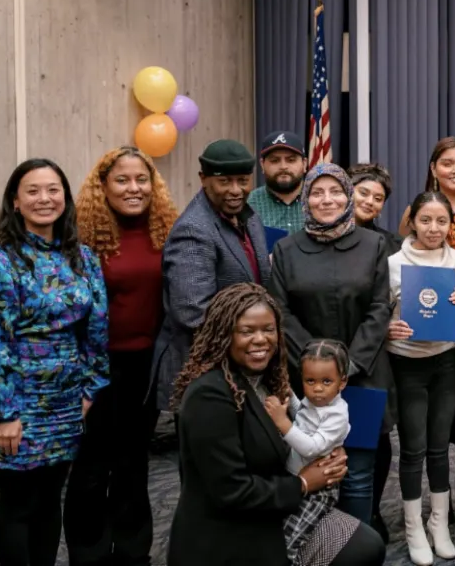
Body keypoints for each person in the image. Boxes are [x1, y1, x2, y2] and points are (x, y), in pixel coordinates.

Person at [167, 283, 384, 566]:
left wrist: (327, 455)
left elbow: (304, 429)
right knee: (361, 550)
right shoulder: (209, 395)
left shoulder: (269, 379)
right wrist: (304, 482)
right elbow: (232, 492)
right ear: (224, 335)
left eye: (269, 329)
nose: (261, 339)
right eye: (247, 331)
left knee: (368, 544)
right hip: (232, 528)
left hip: (273, 504)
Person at [0, 158, 109, 566]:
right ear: (15, 201)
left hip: (69, 401)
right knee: (19, 503)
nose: (44, 199)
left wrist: (90, 390)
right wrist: (4, 413)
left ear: (65, 197)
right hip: (19, 402)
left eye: (53, 190)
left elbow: (97, 330)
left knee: (50, 500)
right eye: (33, 191)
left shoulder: (82, 258)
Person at [65, 147, 178, 566]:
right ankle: (89, 553)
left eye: (142, 179)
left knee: (133, 460)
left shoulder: (165, 230)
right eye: (123, 180)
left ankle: (133, 552)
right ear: (104, 186)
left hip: (147, 365)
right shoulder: (80, 239)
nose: (134, 188)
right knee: (93, 464)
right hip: (96, 368)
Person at [268, 163, 393, 526]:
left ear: (348, 195)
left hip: (363, 373)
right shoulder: (287, 250)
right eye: (317, 192)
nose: (327, 200)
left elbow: (379, 306)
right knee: (310, 467)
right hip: (307, 380)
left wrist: (347, 365)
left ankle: (356, 544)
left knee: (357, 475)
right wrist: (318, 366)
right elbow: (280, 311)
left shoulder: (374, 244)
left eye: (336, 191)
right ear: (306, 199)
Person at [150, 139, 271, 412]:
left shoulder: (248, 217)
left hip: (241, 367)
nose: (236, 190)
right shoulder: (193, 231)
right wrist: (254, 341)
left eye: (243, 180)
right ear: (203, 179)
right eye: (225, 181)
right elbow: (194, 313)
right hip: (205, 372)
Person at [387, 192, 455, 565]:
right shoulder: (392, 264)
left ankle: (439, 523)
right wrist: (389, 327)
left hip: (446, 363)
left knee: (440, 446)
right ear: (412, 222)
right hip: (407, 365)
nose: (433, 228)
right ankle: (413, 525)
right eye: (425, 220)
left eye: (441, 221)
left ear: (451, 225)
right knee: (413, 448)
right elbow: (377, 313)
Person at [346, 161, 401, 536]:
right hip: (322, 355)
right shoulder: (307, 239)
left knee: (375, 437)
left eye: (377, 198)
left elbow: (396, 299)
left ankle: (371, 510)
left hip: (372, 355)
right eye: (362, 192)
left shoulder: (389, 245)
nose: (369, 201)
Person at [263, 340, 352, 562]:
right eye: (309, 381)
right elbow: (301, 412)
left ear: (342, 382)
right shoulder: (317, 402)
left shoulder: (336, 414)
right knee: (284, 530)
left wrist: (283, 423)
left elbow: (312, 448)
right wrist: (289, 393)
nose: (318, 388)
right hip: (296, 479)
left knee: (292, 538)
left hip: (318, 491)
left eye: (326, 381)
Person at [249, 131, 309, 233]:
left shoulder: (320, 201)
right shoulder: (249, 205)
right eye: (274, 161)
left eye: (291, 160)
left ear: (304, 164)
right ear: (262, 165)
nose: (283, 167)